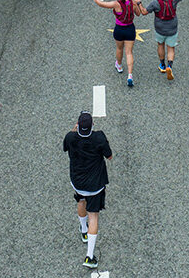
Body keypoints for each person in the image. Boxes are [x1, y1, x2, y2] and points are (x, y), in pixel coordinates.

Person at [63, 111, 112, 269]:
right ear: (92, 126)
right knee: (94, 216)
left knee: (81, 200)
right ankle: (89, 256)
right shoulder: (99, 138)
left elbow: (65, 147)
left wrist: (73, 130)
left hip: (77, 181)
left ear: (77, 125)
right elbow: (109, 156)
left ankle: (83, 231)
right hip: (95, 185)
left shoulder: (70, 137)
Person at [138, 0, 189, 79]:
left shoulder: (155, 2)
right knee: (171, 48)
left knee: (160, 45)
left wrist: (139, 3)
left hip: (160, 28)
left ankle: (162, 65)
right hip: (172, 27)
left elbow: (144, 12)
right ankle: (170, 66)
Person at [89, 0, 142, 87]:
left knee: (119, 48)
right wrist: (138, 3)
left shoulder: (115, 4)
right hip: (130, 29)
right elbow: (138, 14)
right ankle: (130, 75)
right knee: (129, 52)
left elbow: (100, 3)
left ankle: (119, 65)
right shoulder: (133, 3)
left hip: (119, 29)